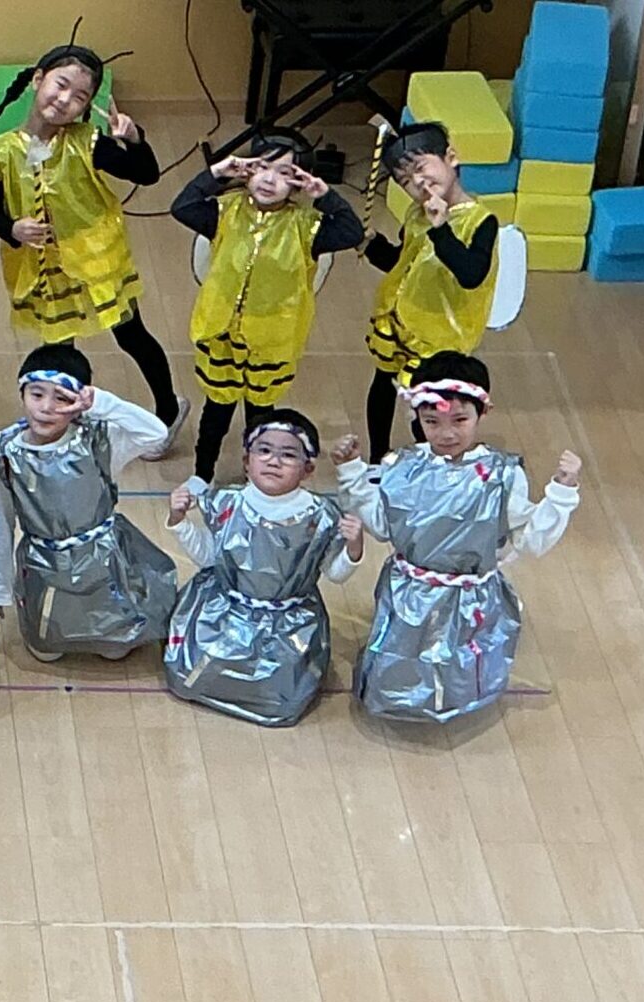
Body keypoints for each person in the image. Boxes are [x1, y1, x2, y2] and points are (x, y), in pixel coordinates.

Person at [334, 352, 582, 723]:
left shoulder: (501, 475)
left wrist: (561, 493)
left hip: (470, 597)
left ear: (484, 412)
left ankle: (460, 703)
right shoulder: (400, 467)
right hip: (409, 594)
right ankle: (398, 703)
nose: (446, 433)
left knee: (461, 666)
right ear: (415, 416)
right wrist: (352, 472)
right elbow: (383, 524)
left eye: (460, 420)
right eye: (431, 421)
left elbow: (531, 538)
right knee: (400, 664)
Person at [0, 33, 184, 451]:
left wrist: (133, 138)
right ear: (38, 79)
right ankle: (61, 421)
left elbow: (146, 174)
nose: (65, 100)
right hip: (42, 268)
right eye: (61, 84)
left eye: (80, 96)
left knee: (130, 334)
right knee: (58, 350)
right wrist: (13, 229)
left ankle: (169, 410)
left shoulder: (88, 143)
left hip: (96, 260)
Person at [171, 129, 364, 482]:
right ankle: (202, 475)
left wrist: (324, 195)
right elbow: (182, 207)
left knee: (261, 414)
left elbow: (352, 232)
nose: (270, 179)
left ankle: (257, 476)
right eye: (262, 167)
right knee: (216, 412)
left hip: (272, 340)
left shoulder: (308, 227)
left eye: (285, 173)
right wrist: (218, 173)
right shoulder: (225, 210)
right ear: (247, 169)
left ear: (298, 183)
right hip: (221, 332)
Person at [162, 409, 363, 727]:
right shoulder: (226, 502)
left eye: (289, 455)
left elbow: (335, 574)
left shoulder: (322, 516)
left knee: (281, 701)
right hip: (225, 613)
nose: (274, 461)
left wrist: (353, 549)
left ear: (308, 469)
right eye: (264, 450)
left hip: (288, 626)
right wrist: (179, 521)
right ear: (247, 460)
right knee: (189, 678)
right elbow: (209, 557)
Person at [0, 344, 175, 662]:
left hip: (104, 559)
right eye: (36, 394)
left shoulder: (99, 439)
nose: (46, 407)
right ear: (22, 393)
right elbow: (2, 520)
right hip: (45, 563)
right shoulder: (5, 454)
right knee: (48, 648)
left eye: (62, 398)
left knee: (116, 647)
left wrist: (101, 403)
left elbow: (156, 433)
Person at [364, 122, 503, 462]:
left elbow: (470, 275)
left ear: (451, 158)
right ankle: (377, 459)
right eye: (404, 180)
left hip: (441, 337)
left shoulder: (481, 221)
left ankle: (436, 465)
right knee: (383, 385)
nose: (417, 181)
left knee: (427, 407)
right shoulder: (417, 213)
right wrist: (371, 245)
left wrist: (441, 228)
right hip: (401, 323)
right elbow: (402, 263)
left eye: (421, 166)